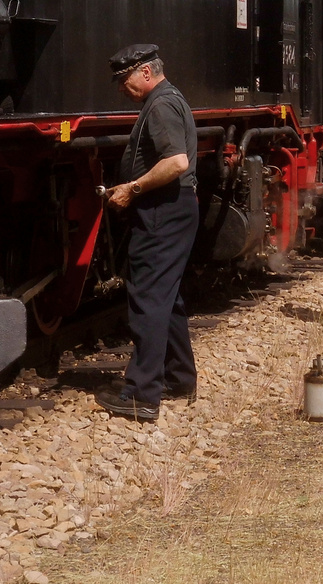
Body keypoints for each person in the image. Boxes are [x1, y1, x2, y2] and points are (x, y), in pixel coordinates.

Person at [96, 44, 200, 422]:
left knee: (149, 300)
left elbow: (176, 161)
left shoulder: (159, 105)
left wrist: (132, 188)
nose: (121, 88)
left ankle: (141, 395)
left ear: (144, 72)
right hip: (174, 208)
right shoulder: (170, 99)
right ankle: (179, 378)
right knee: (167, 299)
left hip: (162, 210)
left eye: (124, 80)